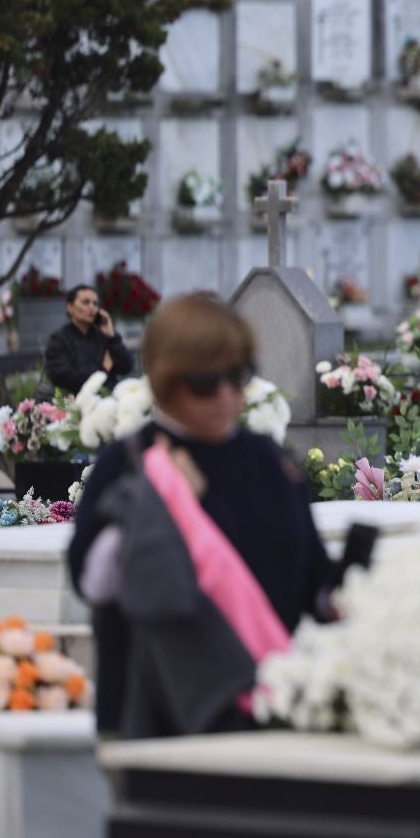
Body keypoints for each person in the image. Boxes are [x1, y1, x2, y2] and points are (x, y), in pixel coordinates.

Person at [66, 295, 331, 738]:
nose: (227, 394)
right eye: (206, 382)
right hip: (155, 719)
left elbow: (311, 579)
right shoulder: (127, 462)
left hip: (258, 709)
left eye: (238, 376)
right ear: (167, 380)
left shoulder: (269, 461)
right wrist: (159, 499)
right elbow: (92, 581)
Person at [44, 284, 133, 396]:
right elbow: (61, 376)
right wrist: (103, 370)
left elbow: (127, 366)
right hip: (74, 402)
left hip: (109, 400)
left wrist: (112, 336)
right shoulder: (59, 339)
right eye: (85, 302)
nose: (92, 307)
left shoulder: (104, 335)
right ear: (70, 307)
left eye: (95, 304)